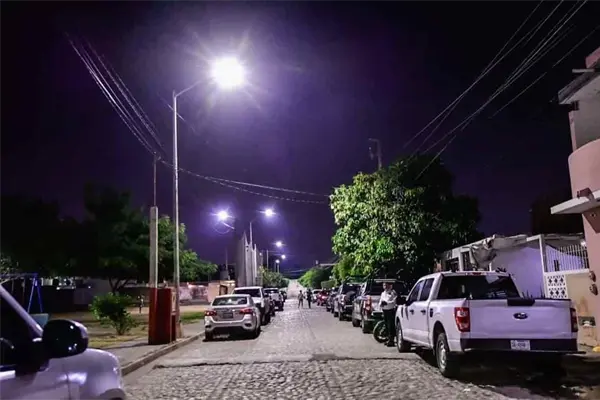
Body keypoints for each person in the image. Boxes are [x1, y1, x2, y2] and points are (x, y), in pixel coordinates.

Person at [379, 282, 397, 347]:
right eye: (384, 285)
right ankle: (388, 339)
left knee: (390, 326)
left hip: (390, 311)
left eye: (386, 285)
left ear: (389, 285)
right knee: (386, 326)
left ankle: (391, 340)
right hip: (385, 311)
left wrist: (387, 303)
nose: (385, 286)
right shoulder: (383, 293)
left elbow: (394, 302)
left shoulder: (393, 293)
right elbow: (380, 301)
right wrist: (381, 304)